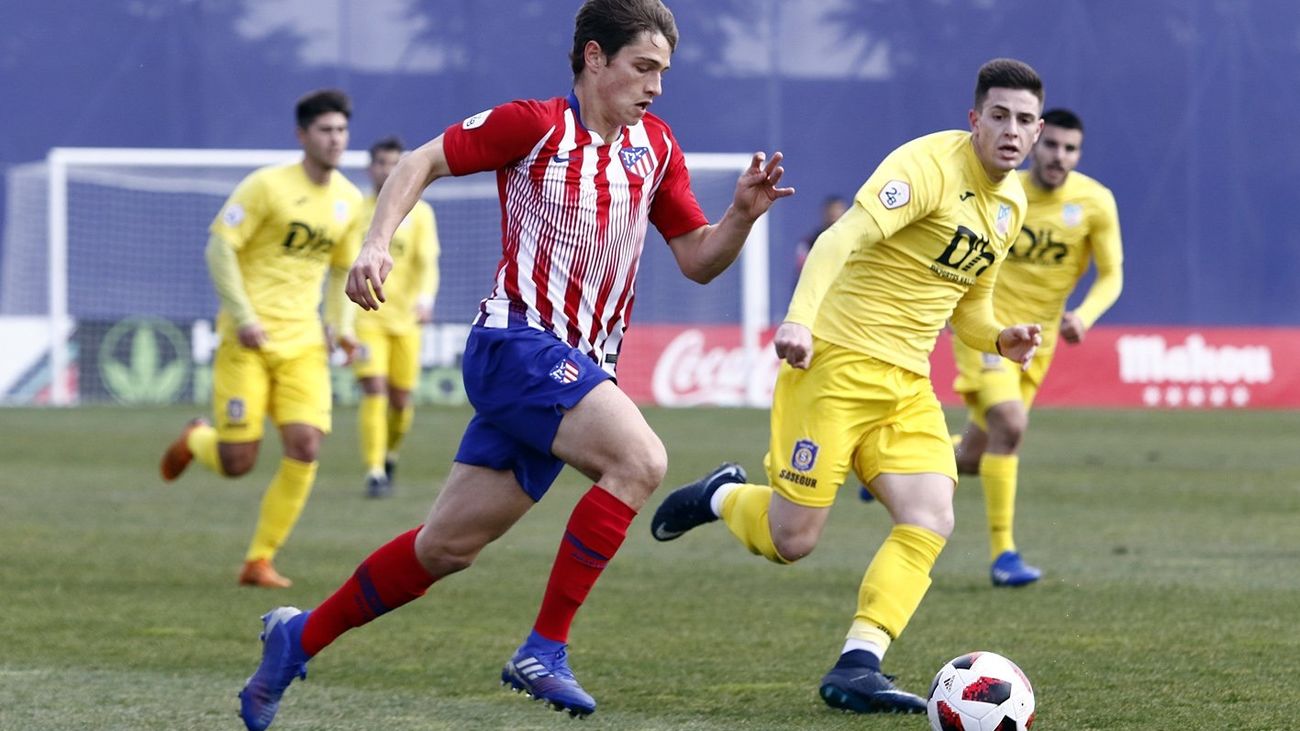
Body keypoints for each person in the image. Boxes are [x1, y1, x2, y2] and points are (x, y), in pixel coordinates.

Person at [236, 1, 792, 728]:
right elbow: (421, 160)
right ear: (595, 58)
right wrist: (376, 243)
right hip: (516, 345)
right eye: (643, 67)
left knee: (446, 547)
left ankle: (295, 637)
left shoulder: (655, 148)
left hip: (572, 369)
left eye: (663, 72)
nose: (656, 86)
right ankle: (544, 647)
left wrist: (742, 218)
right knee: (641, 461)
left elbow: (696, 259)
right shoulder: (535, 125)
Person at [650, 58, 1045, 715]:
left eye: (1024, 119)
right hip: (834, 363)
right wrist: (799, 321)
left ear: (1035, 131)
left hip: (907, 380)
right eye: (998, 116)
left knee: (931, 515)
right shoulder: (926, 168)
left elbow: (971, 307)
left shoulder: (1011, 204)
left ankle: (859, 662)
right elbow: (838, 241)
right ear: (975, 119)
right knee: (791, 540)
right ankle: (722, 494)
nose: (1011, 130)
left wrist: (1001, 338)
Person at [159, 89, 364, 589]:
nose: (335, 139)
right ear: (302, 135)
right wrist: (243, 316)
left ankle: (259, 560)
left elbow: (340, 272)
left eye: (341, 130)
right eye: (325, 130)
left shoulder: (349, 200)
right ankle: (197, 438)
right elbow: (220, 250)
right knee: (237, 462)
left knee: (306, 444)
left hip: (303, 344)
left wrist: (343, 330)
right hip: (247, 340)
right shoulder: (266, 186)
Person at [950, 108, 1123, 587]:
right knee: (1011, 422)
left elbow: (1112, 275)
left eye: (1071, 149)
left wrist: (1083, 316)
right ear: (1036, 142)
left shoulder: (1094, 202)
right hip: (986, 330)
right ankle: (1004, 554)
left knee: (974, 454)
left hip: (1038, 344)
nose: (1059, 157)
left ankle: (886, 459)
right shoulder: (1002, 190)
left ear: (1078, 154)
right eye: (1053, 146)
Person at [352, 136, 442, 498]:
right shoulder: (354, 210)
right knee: (374, 388)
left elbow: (427, 264)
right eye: (380, 164)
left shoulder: (420, 213)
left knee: (401, 399)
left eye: (393, 164)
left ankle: (389, 456)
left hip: (405, 319)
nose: (387, 171)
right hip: (365, 316)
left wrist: (425, 299)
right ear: (370, 168)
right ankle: (373, 471)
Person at [793, 194, 848, 273]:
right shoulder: (809, 242)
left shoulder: (853, 241)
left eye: (838, 210)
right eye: (831, 210)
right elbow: (803, 268)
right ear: (825, 212)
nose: (834, 214)